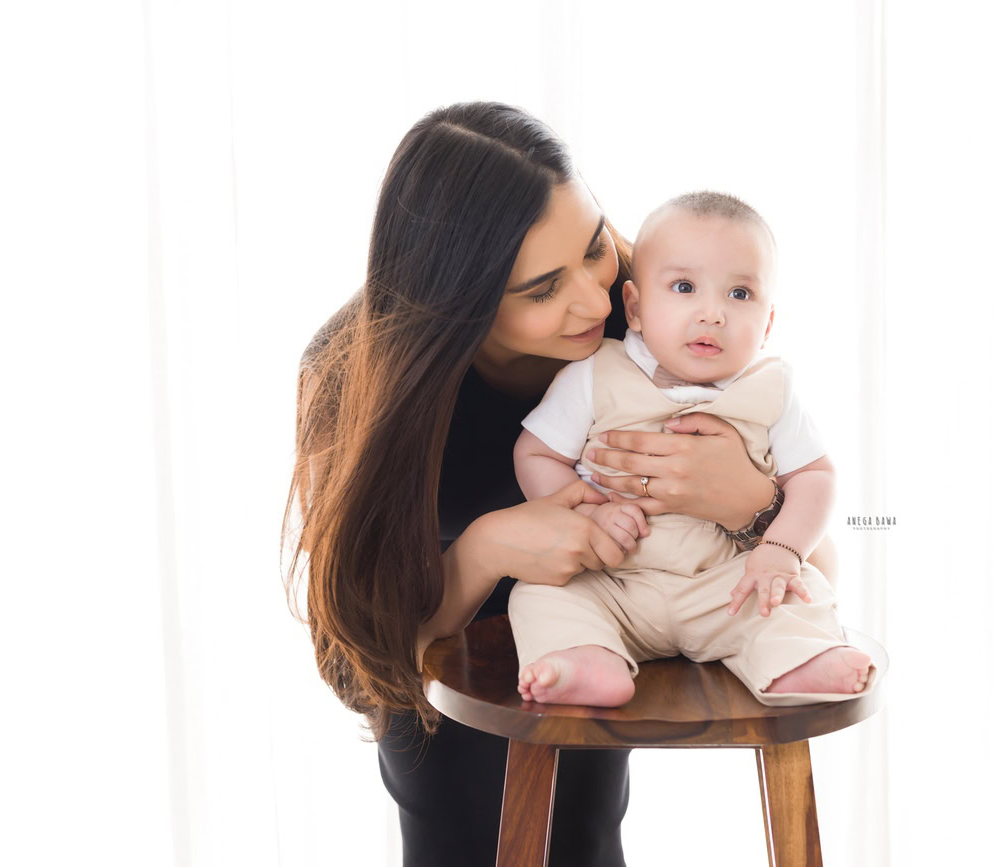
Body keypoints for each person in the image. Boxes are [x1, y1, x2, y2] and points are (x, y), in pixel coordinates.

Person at [283, 102, 840, 867]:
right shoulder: (354, 377)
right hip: (446, 724)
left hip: (597, 690)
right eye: (542, 288)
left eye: (593, 248)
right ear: (459, 303)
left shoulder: (648, 310)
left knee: (583, 840)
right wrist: (486, 550)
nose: (593, 298)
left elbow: (821, 553)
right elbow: (355, 663)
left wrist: (751, 500)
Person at [509, 191, 877, 708]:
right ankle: (587, 659)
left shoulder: (772, 388)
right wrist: (590, 515)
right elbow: (537, 455)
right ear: (635, 307)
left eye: (741, 295)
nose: (713, 314)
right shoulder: (594, 375)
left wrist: (782, 549)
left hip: (728, 584)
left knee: (801, 589)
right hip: (613, 579)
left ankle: (802, 660)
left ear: (768, 323)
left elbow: (816, 477)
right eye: (684, 287)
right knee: (539, 594)